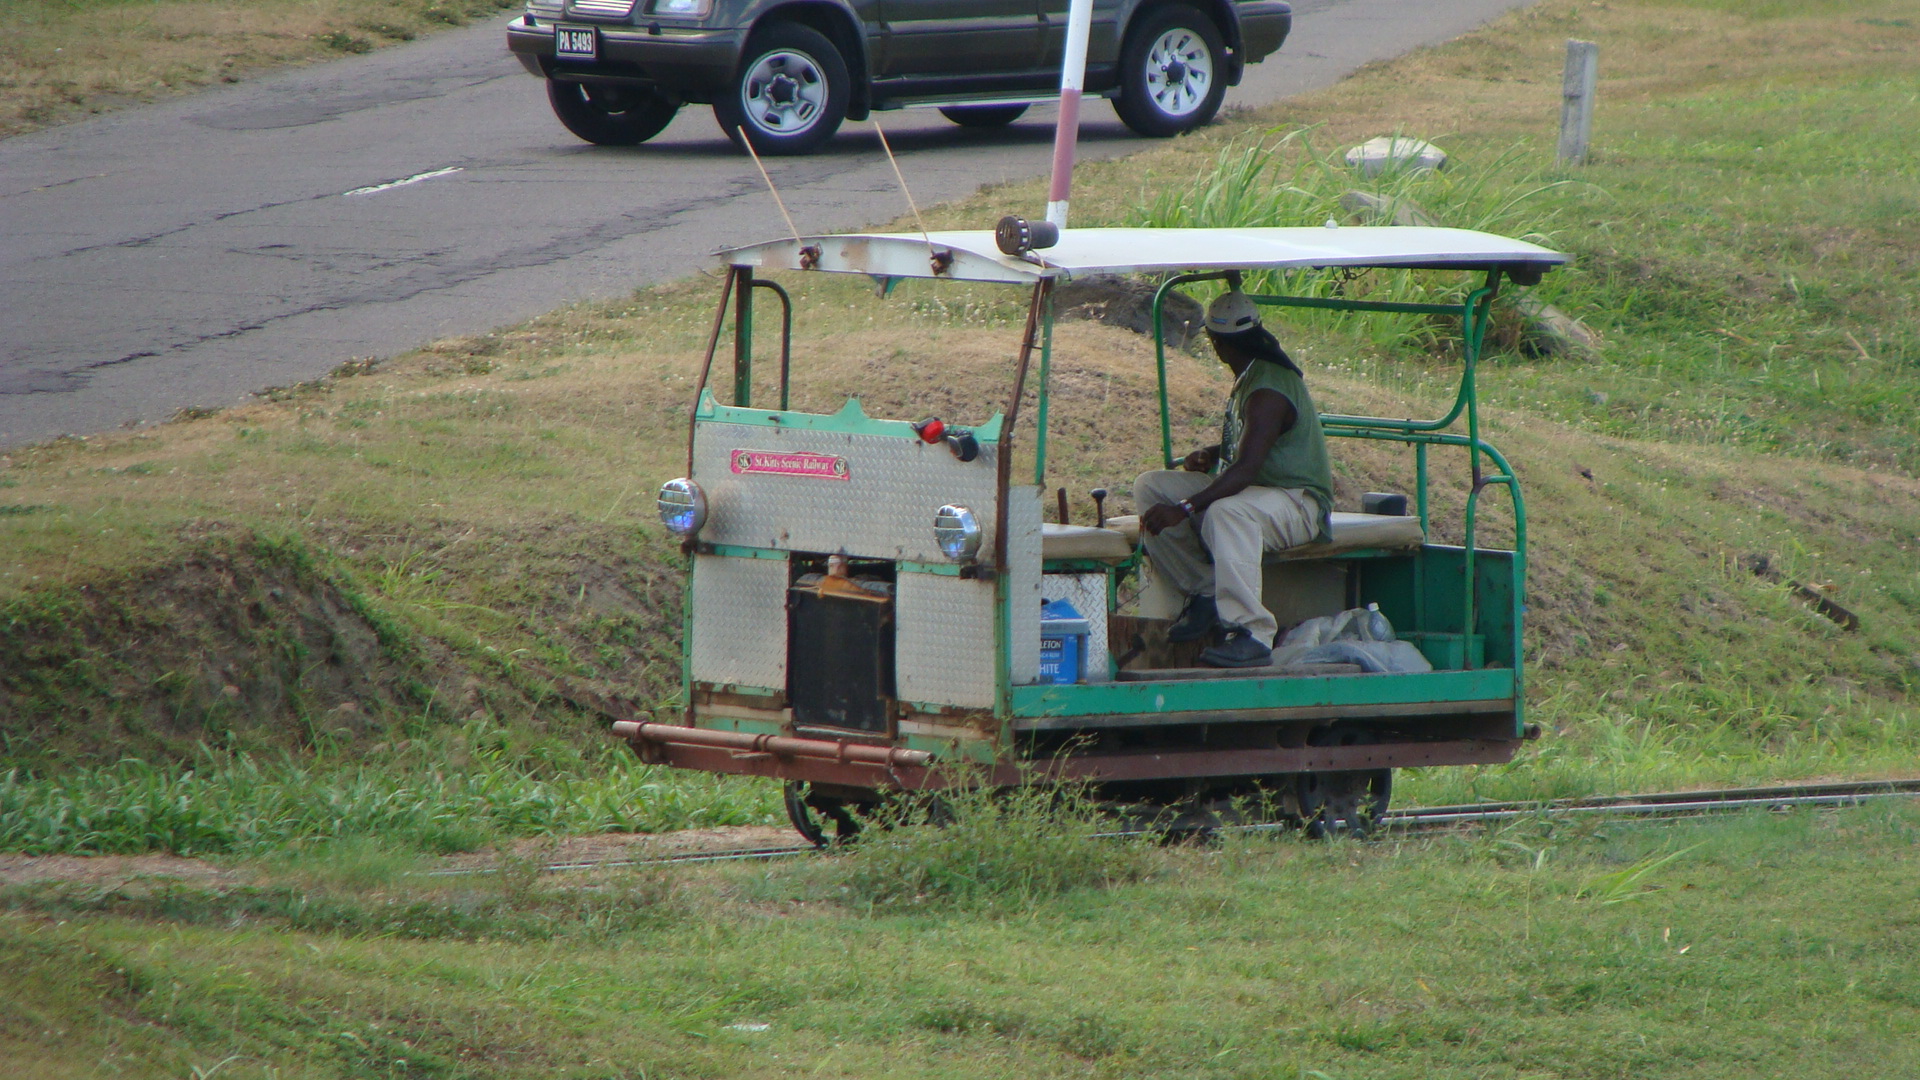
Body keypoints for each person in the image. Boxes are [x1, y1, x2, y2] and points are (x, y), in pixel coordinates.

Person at [1134, 290, 1334, 668]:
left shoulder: (1268, 388)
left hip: (1298, 502)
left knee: (1227, 512)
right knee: (1151, 486)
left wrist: (1185, 508)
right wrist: (1212, 453)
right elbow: (1254, 443)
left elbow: (1246, 469)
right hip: (1262, 490)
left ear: (1216, 343)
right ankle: (1207, 592)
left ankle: (1252, 633)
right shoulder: (1252, 374)